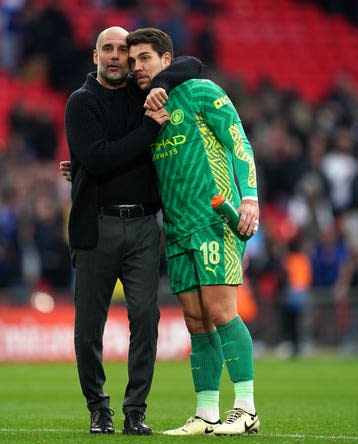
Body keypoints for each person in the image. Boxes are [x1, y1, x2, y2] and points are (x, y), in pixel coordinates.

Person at [64, 26, 203, 435]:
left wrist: (159, 83)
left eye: (122, 49)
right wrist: (149, 130)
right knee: (89, 326)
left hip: (143, 226)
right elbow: (100, 158)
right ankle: (98, 408)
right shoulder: (81, 102)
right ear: (94, 57)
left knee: (146, 317)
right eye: (106, 48)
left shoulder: (144, 94)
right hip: (96, 227)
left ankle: (135, 410)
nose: (114, 56)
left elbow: (193, 64)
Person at [126, 28, 260, 436]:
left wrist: (250, 197)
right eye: (132, 62)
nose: (136, 68)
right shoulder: (146, 109)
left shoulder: (201, 91)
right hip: (178, 229)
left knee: (221, 312)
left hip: (214, 219)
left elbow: (238, 140)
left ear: (166, 60)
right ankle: (206, 413)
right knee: (195, 319)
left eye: (144, 58)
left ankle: (247, 407)